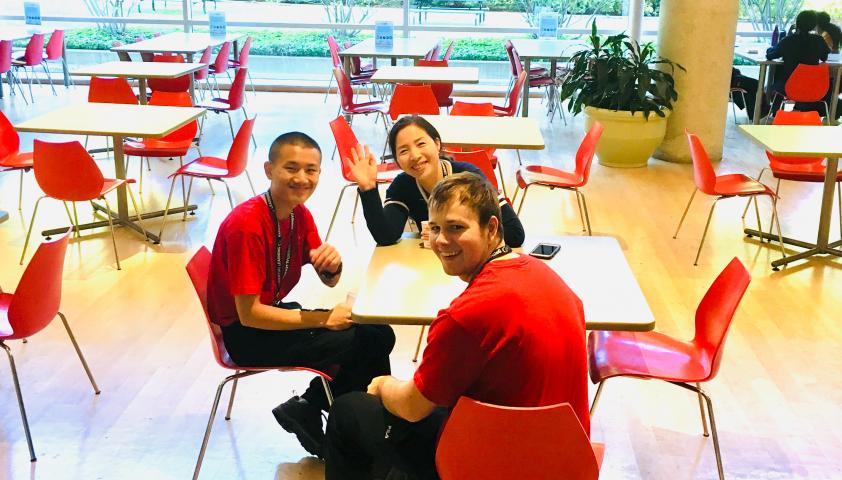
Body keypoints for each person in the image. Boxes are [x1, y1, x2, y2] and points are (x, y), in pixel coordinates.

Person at [323, 172, 589, 480]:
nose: (441, 240)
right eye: (434, 228)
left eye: (456, 228)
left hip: (498, 460)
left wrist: (383, 385)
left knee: (347, 411)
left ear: (492, 228)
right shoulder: (545, 275)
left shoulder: (464, 316)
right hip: (566, 456)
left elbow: (412, 407)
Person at [207, 131, 395, 458]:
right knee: (363, 341)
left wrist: (332, 266)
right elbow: (249, 314)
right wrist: (323, 319)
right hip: (246, 334)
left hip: (273, 314)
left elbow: (328, 280)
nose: (302, 178)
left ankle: (323, 411)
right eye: (291, 168)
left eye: (312, 170)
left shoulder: (298, 214)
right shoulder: (247, 225)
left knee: (379, 332)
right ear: (268, 170)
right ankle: (362, 435)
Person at [348, 115, 525, 248]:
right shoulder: (402, 187)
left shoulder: (467, 177)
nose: (415, 156)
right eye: (403, 151)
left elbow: (514, 233)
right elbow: (386, 236)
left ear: (437, 144)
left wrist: (450, 233)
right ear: (397, 161)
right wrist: (368, 189)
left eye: (421, 144)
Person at [766, 10, 831, 114]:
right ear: (814, 25)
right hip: (814, 87)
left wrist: (771, 48)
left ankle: (774, 113)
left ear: (797, 23)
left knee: (774, 83)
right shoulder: (819, 40)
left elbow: (770, 55)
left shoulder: (789, 40)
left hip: (789, 86)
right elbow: (824, 57)